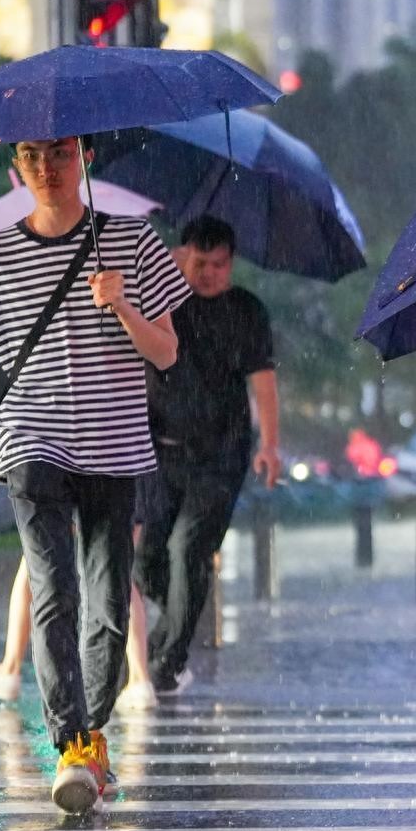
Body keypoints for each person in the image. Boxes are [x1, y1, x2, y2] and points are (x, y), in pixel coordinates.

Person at [0, 135, 189, 815]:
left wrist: (123, 305)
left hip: (115, 444)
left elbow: (166, 350)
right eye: (33, 155)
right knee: (53, 586)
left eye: (62, 153)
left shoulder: (133, 241)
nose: (48, 168)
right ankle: (69, 737)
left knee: (106, 600)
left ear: (85, 158)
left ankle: (89, 738)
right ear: (18, 164)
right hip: (31, 441)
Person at [135, 215, 281, 696]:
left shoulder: (247, 310)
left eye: (220, 265)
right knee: (146, 557)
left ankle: (167, 659)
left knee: (187, 549)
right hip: (159, 451)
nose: (210, 274)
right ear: (183, 256)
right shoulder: (161, 299)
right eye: (200, 262)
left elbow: (263, 382)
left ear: (232, 264)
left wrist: (270, 445)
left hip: (221, 456)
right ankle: (174, 622)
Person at [0, 480, 158, 712]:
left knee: (37, 562)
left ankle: (10, 668)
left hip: (78, 470)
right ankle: (140, 678)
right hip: (129, 466)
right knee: (118, 570)